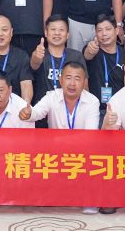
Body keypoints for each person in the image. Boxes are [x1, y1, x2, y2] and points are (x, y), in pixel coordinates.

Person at [21, 62, 104, 214]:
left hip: (82, 152)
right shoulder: (51, 97)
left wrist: (67, 142)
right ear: (60, 80)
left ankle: (90, 199)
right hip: (56, 151)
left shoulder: (92, 101)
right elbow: (36, 113)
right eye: (68, 78)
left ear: (84, 82)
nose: (72, 83)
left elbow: (90, 135)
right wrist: (28, 114)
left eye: (77, 79)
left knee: (96, 155)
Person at [30, 16, 86, 105]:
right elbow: (34, 64)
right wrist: (36, 57)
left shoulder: (76, 56)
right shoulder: (40, 53)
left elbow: (84, 86)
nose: (57, 33)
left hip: (70, 107)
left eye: (61, 30)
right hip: (43, 108)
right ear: (46, 33)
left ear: (68, 34)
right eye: (53, 29)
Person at [83, 15, 125, 106]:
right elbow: (87, 54)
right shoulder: (93, 49)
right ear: (96, 33)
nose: (104, 33)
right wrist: (90, 50)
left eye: (108, 29)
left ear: (116, 31)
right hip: (96, 108)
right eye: (99, 30)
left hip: (120, 107)